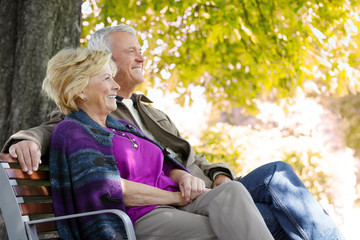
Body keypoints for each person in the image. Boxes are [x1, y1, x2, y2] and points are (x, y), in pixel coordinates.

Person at [2, 25, 344, 240]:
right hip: (165, 207)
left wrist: (218, 175)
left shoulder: (146, 112)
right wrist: (26, 138)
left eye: (140, 49)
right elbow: (59, 131)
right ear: (104, 61)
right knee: (276, 210)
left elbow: (180, 158)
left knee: (271, 180)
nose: (141, 56)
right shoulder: (85, 120)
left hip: (198, 191)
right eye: (131, 51)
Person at [43, 47, 274, 240]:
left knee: (232, 190)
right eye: (106, 78)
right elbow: (109, 189)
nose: (115, 86)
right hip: (141, 216)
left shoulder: (122, 128)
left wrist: (183, 178)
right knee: (224, 229)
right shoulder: (74, 131)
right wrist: (174, 197)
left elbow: (165, 166)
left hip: (178, 204)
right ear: (81, 89)